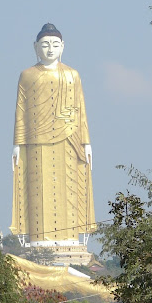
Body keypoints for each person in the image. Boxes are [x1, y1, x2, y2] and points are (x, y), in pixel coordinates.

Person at [10, 23, 96, 251]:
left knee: (69, 187)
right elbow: (20, 111)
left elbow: (81, 110)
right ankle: (39, 241)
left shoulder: (72, 75)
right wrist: (17, 143)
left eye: (55, 45)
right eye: (45, 45)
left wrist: (86, 142)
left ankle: (69, 239)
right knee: (38, 190)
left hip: (69, 138)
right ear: (35, 47)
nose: (50, 49)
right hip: (36, 141)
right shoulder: (27, 76)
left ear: (63, 47)